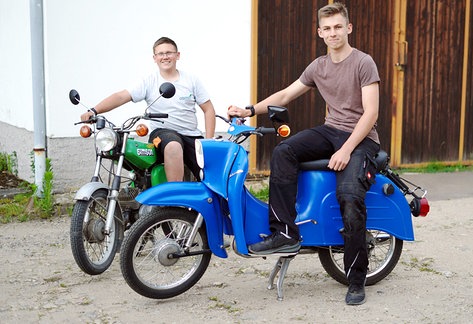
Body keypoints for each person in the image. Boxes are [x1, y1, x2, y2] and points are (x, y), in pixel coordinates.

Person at [228, 2, 380, 305]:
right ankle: (285, 233)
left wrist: (347, 150)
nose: (333, 32)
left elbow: (371, 113)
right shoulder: (318, 66)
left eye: (339, 27)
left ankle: (356, 279)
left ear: (348, 28)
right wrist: (249, 110)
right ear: (320, 32)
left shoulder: (364, 63)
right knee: (284, 151)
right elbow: (285, 95)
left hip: (362, 139)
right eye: (328, 28)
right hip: (331, 130)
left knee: (349, 197)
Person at [80, 37, 216, 181]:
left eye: (169, 52)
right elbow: (121, 96)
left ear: (178, 55)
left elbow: (208, 109)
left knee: (210, 177)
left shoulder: (191, 80)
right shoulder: (149, 81)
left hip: (190, 135)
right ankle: (174, 199)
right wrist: (94, 111)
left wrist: (209, 140)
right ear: (155, 58)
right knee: (173, 145)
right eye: (161, 53)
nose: (165, 57)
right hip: (163, 134)